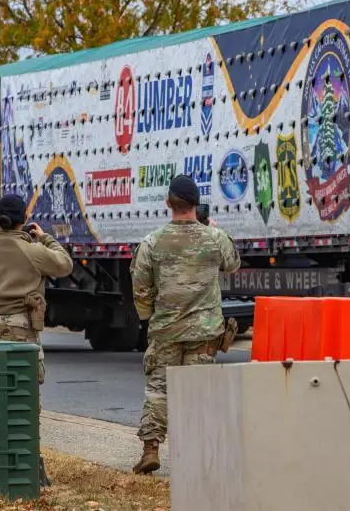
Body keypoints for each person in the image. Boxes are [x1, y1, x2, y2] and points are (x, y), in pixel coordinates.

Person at [129, 174, 241, 474]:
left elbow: (140, 289)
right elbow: (233, 264)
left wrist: (149, 319)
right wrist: (215, 229)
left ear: (169, 203)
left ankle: (151, 449)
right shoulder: (214, 239)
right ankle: (195, 455)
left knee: (158, 389)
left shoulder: (152, 243)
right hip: (204, 332)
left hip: (165, 330)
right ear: (197, 205)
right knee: (197, 392)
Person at [0, 193, 73, 485]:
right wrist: (45, 238)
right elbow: (65, 265)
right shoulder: (32, 250)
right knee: (24, 398)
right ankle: (26, 461)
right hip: (23, 333)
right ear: (24, 220)